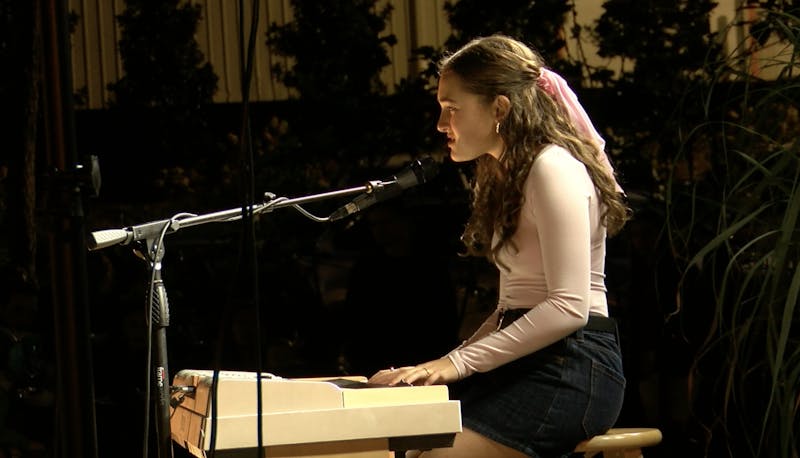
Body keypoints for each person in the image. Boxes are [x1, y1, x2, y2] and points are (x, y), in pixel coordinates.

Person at [368, 34, 631, 458]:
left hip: (572, 364)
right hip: (534, 357)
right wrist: (441, 364)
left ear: (500, 109)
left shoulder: (552, 167)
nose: (441, 124)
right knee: (405, 447)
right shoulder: (511, 173)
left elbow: (569, 307)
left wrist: (456, 364)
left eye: (452, 108)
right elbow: (512, 309)